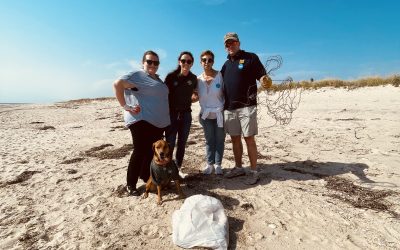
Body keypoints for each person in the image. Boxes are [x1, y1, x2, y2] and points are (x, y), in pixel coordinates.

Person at [113, 50, 170, 196]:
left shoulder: (156, 78)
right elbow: (118, 84)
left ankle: (145, 176)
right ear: (143, 62)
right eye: (149, 62)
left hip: (156, 122)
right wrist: (126, 106)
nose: (152, 65)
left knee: (149, 151)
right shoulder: (137, 75)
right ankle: (130, 185)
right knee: (139, 151)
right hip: (141, 119)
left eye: (156, 62)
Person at [220, 32, 272, 180]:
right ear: (225, 47)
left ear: (239, 43)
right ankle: (238, 167)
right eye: (227, 44)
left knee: (249, 138)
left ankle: (254, 171)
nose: (230, 46)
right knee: (235, 139)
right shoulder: (225, 65)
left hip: (247, 106)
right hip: (229, 107)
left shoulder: (251, 57)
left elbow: (261, 75)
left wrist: (264, 80)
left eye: (233, 42)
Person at [164, 51, 198, 178]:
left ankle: (177, 169)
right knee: (170, 143)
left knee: (182, 143)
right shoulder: (171, 77)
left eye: (189, 61)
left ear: (192, 63)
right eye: (183, 61)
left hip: (186, 115)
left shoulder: (193, 78)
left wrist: (195, 96)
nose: (186, 63)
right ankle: (166, 169)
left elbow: (195, 92)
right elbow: (163, 94)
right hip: (172, 115)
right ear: (179, 61)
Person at [196, 50, 226, 175]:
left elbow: (227, 92)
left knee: (220, 139)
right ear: (200, 62)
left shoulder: (220, 76)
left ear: (213, 61)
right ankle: (210, 165)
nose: (207, 62)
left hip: (219, 113)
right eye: (204, 60)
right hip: (205, 115)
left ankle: (218, 164)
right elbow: (193, 95)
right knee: (209, 140)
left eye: (210, 60)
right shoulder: (198, 79)